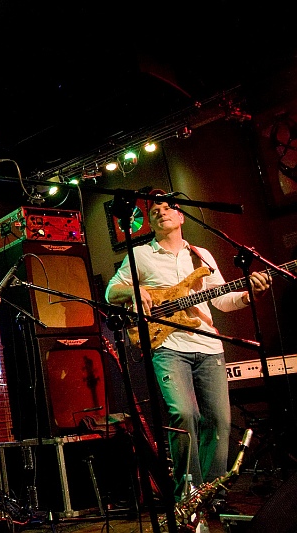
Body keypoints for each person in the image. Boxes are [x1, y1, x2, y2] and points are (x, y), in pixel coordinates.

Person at [105, 190, 271, 512]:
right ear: (149, 222)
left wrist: (249, 294)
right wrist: (134, 288)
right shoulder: (140, 255)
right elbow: (112, 290)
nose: (161, 212)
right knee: (184, 413)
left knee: (219, 422)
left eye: (168, 208)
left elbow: (221, 300)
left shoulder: (202, 255)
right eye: (155, 211)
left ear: (181, 216)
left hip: (208, 345)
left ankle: (213, 495)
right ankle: (188, 494)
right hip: (167, 345)